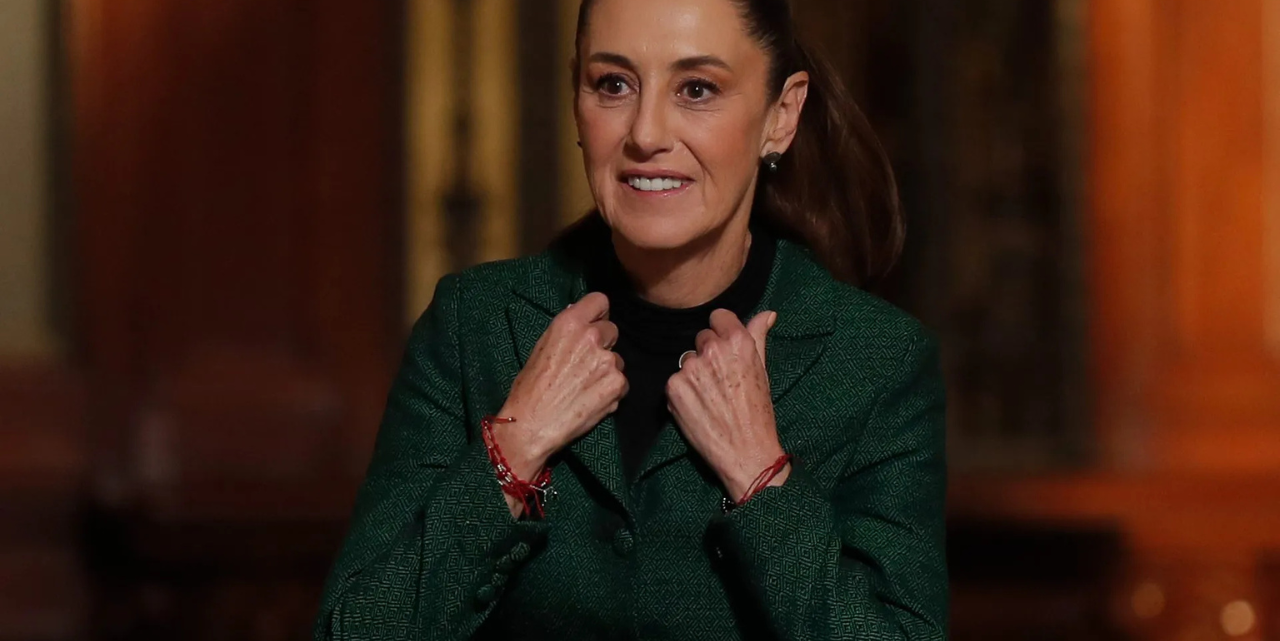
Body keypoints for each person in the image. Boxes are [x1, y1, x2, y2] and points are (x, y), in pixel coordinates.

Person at [314, 0, 947, 638]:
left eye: (696, 89)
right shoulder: (470, 325)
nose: (645, 133)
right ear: (576, 99)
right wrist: (513, 450)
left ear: (781, 115)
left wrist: (761, 478)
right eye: (613, 84)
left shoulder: (877, 361)